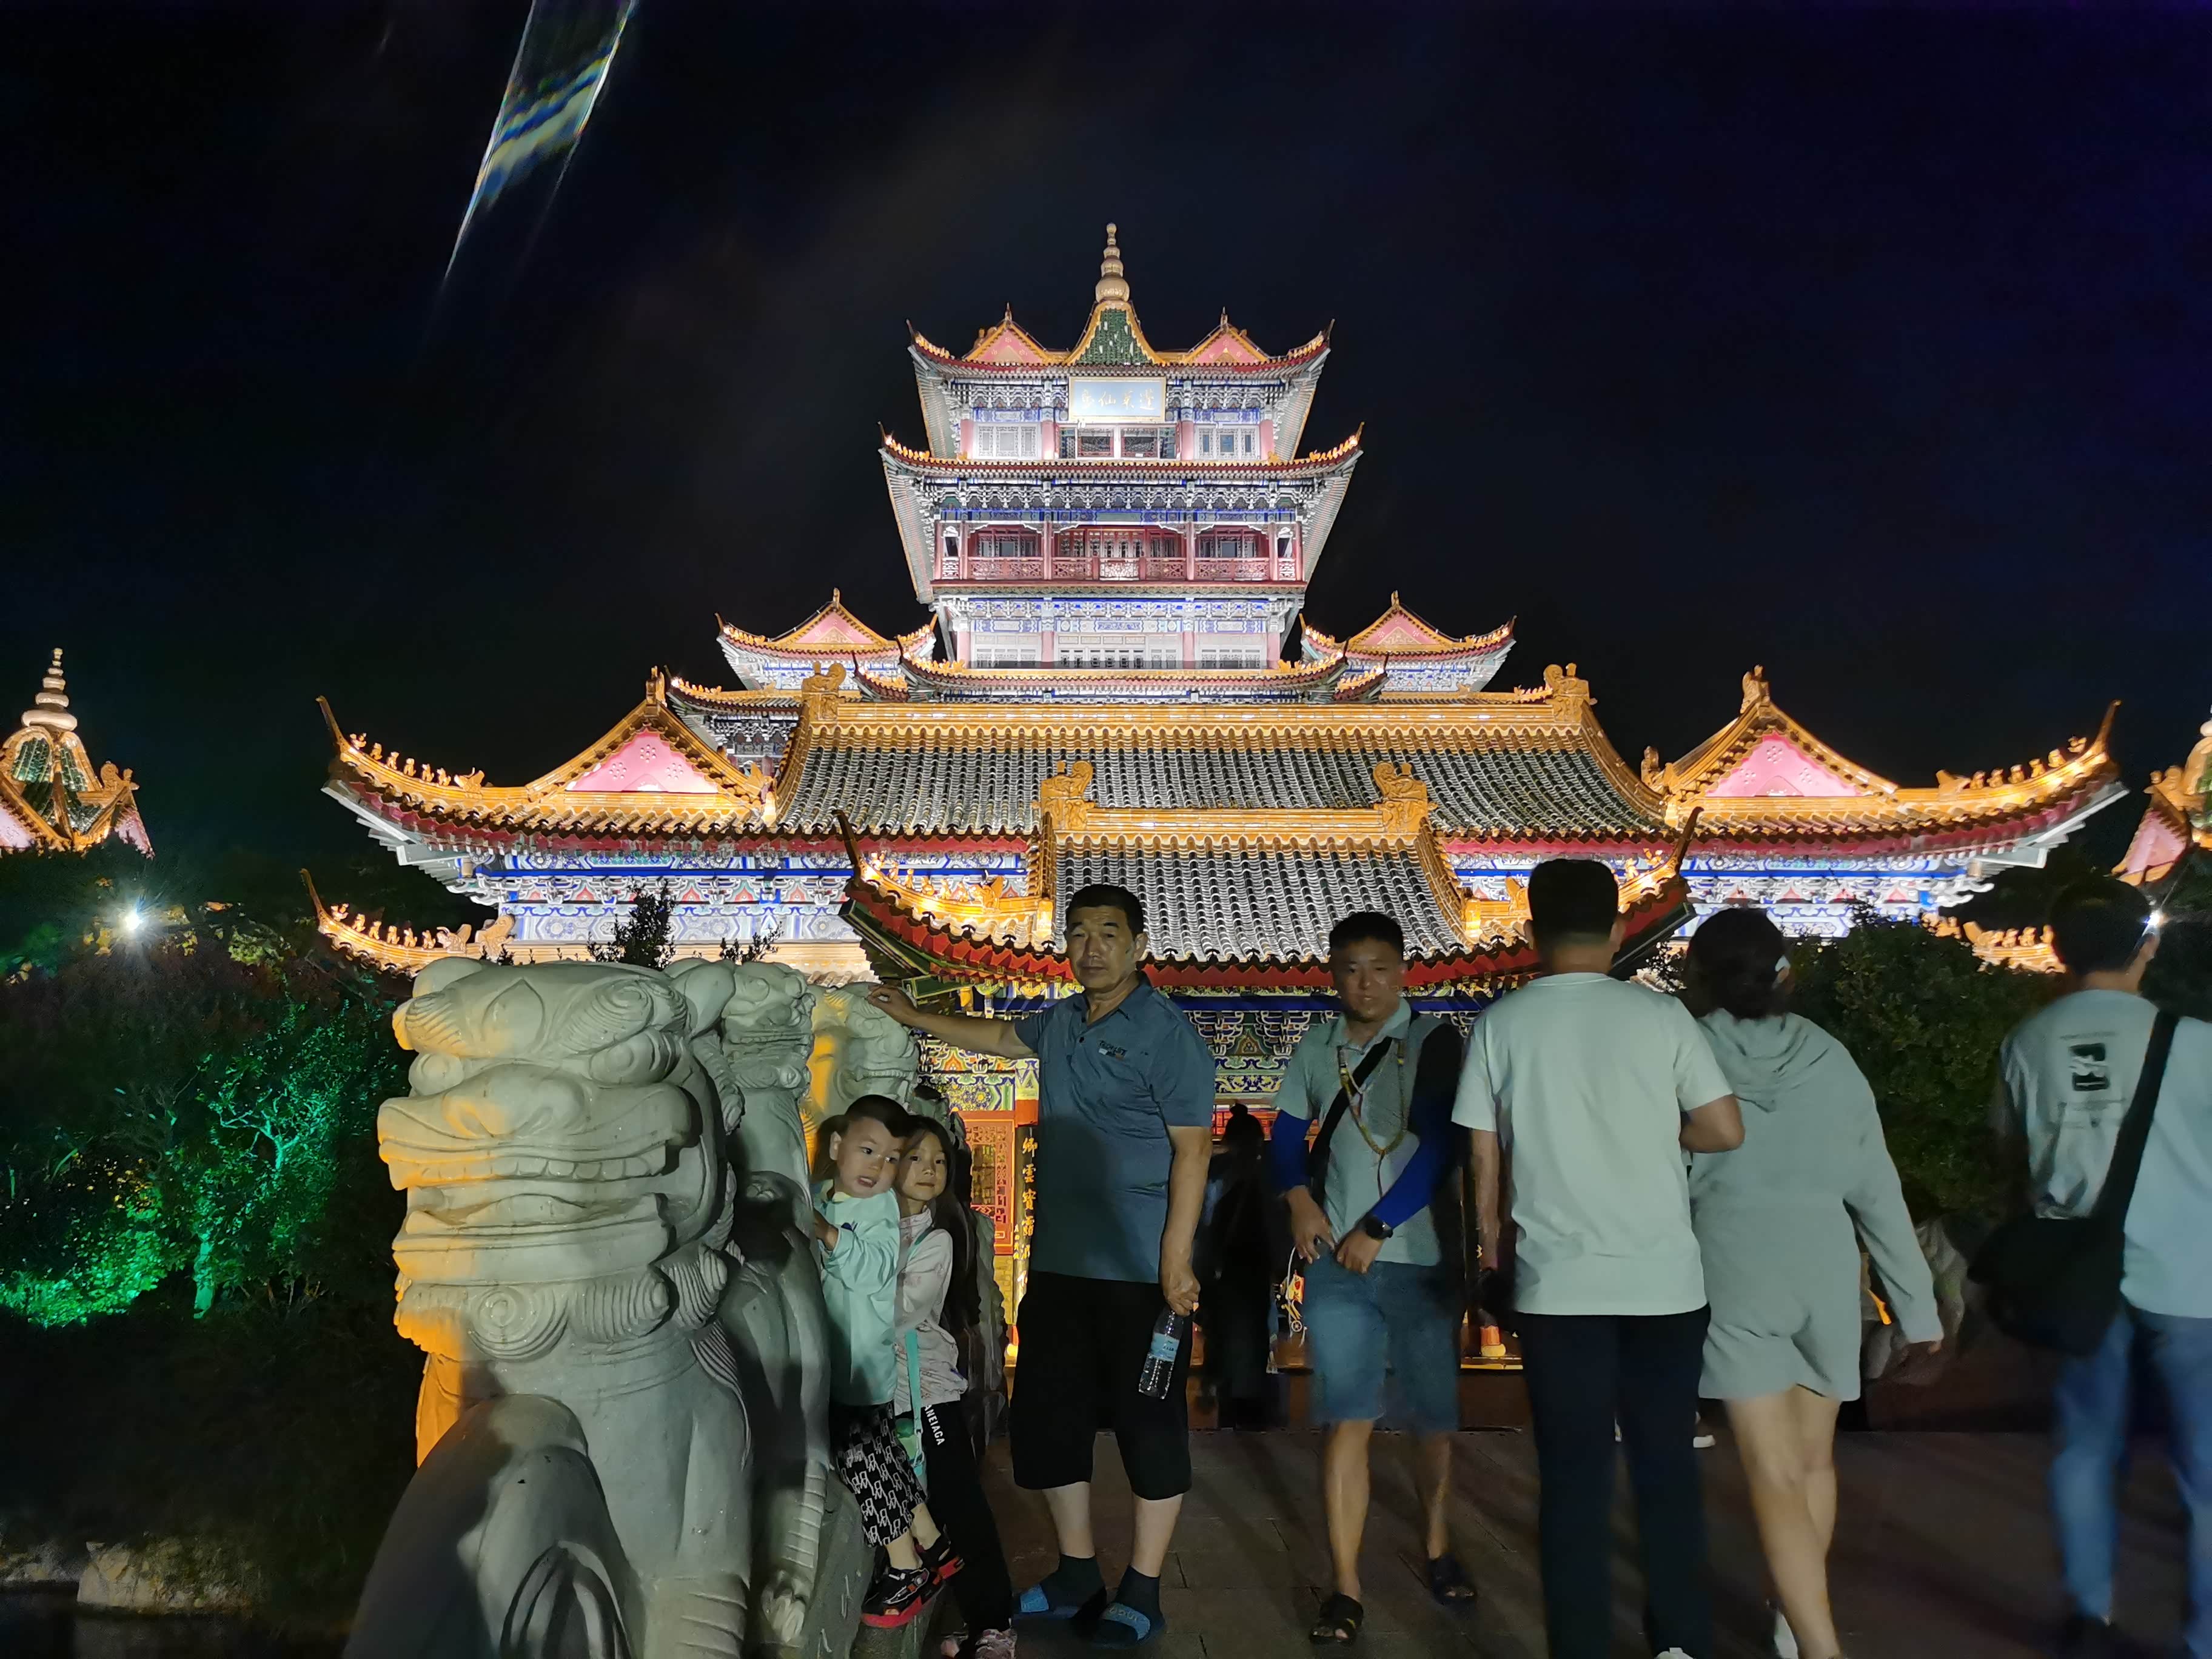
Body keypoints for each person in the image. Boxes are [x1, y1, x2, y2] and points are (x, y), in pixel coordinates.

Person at [867, 883, 1216, 1648]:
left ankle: (1144, 1589)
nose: (1092, 948)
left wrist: (1175, 1259)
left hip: (1140, 1273)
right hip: (1059, 1266)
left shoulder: (1168, 1034)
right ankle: (1075, 1573)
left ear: (1138, 946)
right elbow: (998, 1037)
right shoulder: (1061, 1022)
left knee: (1148, 1427)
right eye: (1080, 933)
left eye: (1109, 933)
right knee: (1051, 1422)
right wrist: (914, 1015)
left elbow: (1194, 1151)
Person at [1452, 859, 1743, 1659]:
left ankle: (1580, 1644)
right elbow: (1724, 1129)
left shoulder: (1503, 1025)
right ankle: (1679, 1642)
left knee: (1574, 1480)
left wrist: (1491, 1257)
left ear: (1531, 934)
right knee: (1666, 1470)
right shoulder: (1662, 1018)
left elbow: (1484, 1159)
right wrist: (1657, 1129)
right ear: (1618, 931)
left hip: (1560, 1288)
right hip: (1664, 1285)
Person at [1684, 907, 1943, 1659]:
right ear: (1784, 976)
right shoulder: (1832, 1058)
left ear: (1698, 978)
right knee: (1813, 1461)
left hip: (1733, 1262)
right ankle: (1790, 1621)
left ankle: (1819, 1644)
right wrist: (1918, 1308)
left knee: (1770, 1470)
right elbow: (1878, 1189)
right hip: (1828, 1265)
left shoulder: (1687, 1052)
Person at [1992, 877, 2212, 1659]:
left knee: (2085, 1444)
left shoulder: (2026, 1042)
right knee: (2205, 1465)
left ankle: (2090, 1616)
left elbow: (2011, 1154)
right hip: (2191, 1273)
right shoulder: (2198, 1043)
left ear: (2056, 951)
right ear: (2147, 947)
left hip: (2080, 1277)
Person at [1269, 910, 1475, 1644]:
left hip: (1419, 1260)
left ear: (1403, 972)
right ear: (1333, 974)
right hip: (1337, 1264)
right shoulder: (1317, 1046)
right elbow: (1286, 1136)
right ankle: (1345, 1586)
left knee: (1430, 1421)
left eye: (1380, 969)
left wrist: (1378, 1227)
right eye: (1351, 969)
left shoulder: (1434, 1041)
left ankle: (1438, 1543)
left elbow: (1440, 1147)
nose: (1365, 984)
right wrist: (1298, 1199)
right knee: (1347, 1418)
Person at [812, 1094, 960, 1630]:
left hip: (861, 1371)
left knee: (865, 1467)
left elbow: (874, 1272)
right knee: (887, 1459)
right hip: (845, 1361)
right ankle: (932, 1541)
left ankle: (905, 1568)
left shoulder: (878, 1213)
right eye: (869, 1150)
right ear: (836, 1145)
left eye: (892, 1157)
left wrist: (825, 1234)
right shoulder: (825, 1196)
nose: (878, 1167)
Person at [894, 1116, 1017, 1659]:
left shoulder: (936, 1237)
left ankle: (994, 1622)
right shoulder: (865, 1225)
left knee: (958, 1499)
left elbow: (899, 1312)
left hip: (925, 1390)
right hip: (879, 1387)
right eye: (917, 1158)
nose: (930, 1169)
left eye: (940, 1161)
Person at [1198, 1104, 1285, 1432]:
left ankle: (1223, 1398)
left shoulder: (1211, 1173)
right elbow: (1277, 1229)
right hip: (1254, 1271)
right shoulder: (1266, 1177)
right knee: (1254, 1341)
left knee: (1222, 1336)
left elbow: (1203, 1227)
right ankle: (1248, 1413)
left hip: (1221, 1271)